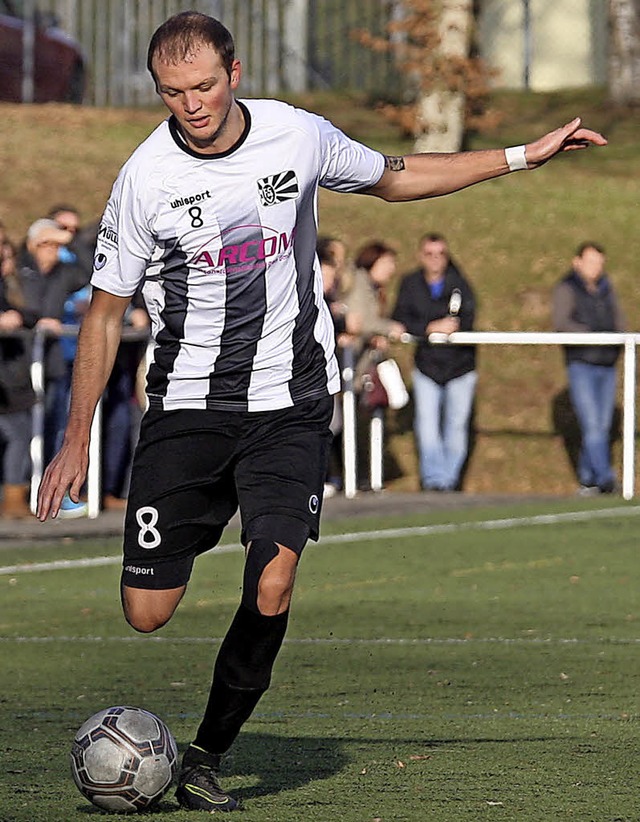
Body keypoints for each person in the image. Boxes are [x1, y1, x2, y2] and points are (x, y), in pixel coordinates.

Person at [36, 10, 606, 813]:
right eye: (173, 93)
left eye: (203, 86)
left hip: (291, 403)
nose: (191, 105)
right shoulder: (146, 178)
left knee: (273, 580)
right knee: (146, 614)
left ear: (235, 75)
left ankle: (206, 755)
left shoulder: (297, 136)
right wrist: (74, 439)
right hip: (189, 405)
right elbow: (103, 313)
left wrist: (521, 154)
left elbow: (398, 173)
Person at [392, 233, 477, 491]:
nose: (435, 259)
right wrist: (429, 327)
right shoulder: (410, 284)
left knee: (457, 425)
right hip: (427, 366)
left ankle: (449, 480)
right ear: (420, 256)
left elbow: (470, 317)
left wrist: (454, 326)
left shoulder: (460, 284)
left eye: (440, 254)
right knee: (426, 425)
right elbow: (400, 318)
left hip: (460, 367)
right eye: (429, 254)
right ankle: (433, 481)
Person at [552, 242, 624, 494]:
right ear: (577, 262)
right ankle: (606, 479)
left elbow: (619, 321)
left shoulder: (606, 289)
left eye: (600, 263)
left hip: (606, 364)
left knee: (601, 426)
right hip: (581, 363)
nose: (596, 268)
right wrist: (595, 335)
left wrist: (619, 341)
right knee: (592, 424)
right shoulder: (567, 288)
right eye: (591, 262)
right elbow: (562, 323)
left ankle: (587, 478)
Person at [0, 262, 37, 518]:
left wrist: (19, 317)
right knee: (15, 435)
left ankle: (15, 498)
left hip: (13, 379)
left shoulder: (14, 285)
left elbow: (36, 313)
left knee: (20, 435)